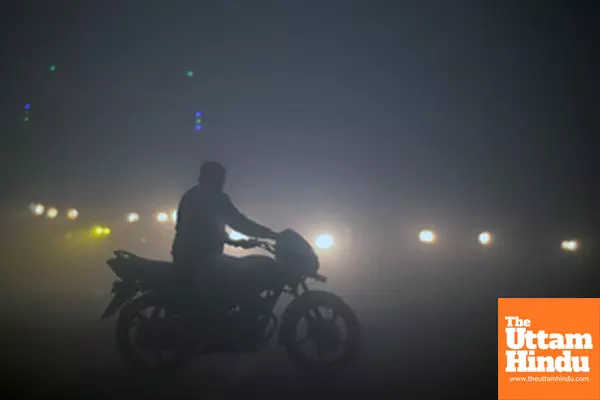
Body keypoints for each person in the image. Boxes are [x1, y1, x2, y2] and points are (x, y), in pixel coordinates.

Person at [171, 161, 277, 334]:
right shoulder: (212, 197)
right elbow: (238, 222)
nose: (222, 182)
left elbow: (206, 227)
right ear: (213, 178)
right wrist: (271, 234)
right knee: (246, 273)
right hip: (199, 258)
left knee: (239, 270)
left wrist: (237, 241)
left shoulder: (192, 195)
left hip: (190, 255)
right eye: (220, 178)